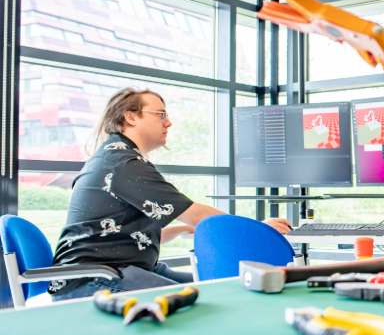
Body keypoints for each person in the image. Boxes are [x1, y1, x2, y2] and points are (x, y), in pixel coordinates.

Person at [48, 88, 292, 300]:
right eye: (161, 115)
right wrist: (258, 227)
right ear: (131, 117)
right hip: (95, 280)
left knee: (214, 288)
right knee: (206, 299)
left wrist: (181, 229)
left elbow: (126, 237)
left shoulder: (115, 157)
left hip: (116, 269)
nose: (168, 123)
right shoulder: (123, 163)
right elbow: (196, 214)